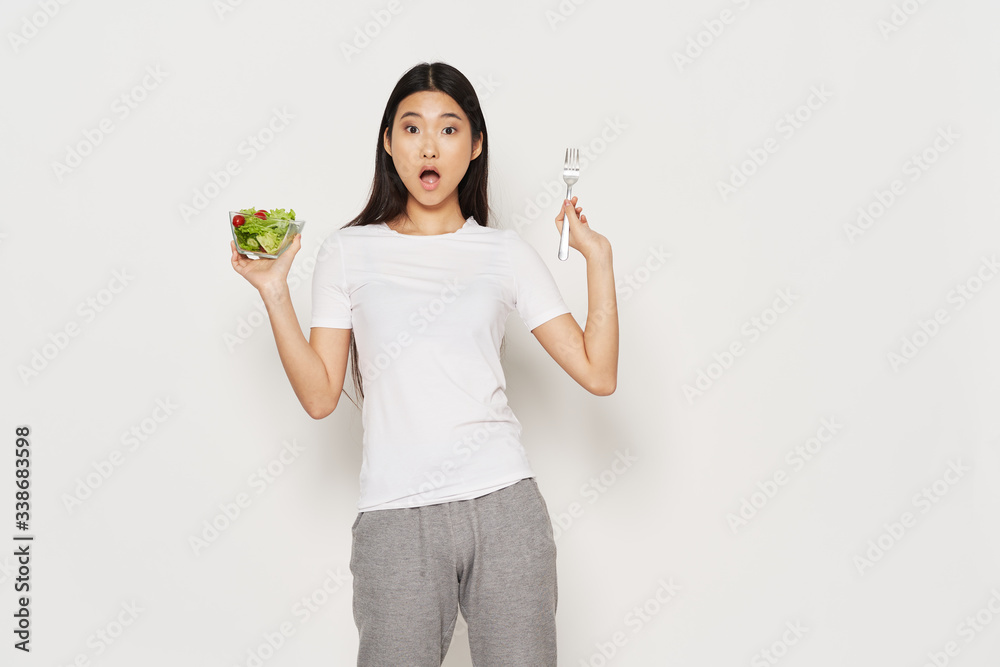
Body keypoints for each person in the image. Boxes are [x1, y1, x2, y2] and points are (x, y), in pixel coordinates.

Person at [230, 61, 618, 666]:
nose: (429, 145)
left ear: (476, 144)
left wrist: (598, 260)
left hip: (505, 505)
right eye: (411, 129)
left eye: (448, 128)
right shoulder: (348, 252)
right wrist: (275, 290)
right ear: (388, 144)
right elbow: (319, 396)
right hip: (396, 518)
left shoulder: (503, 252)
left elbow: (598, 372)